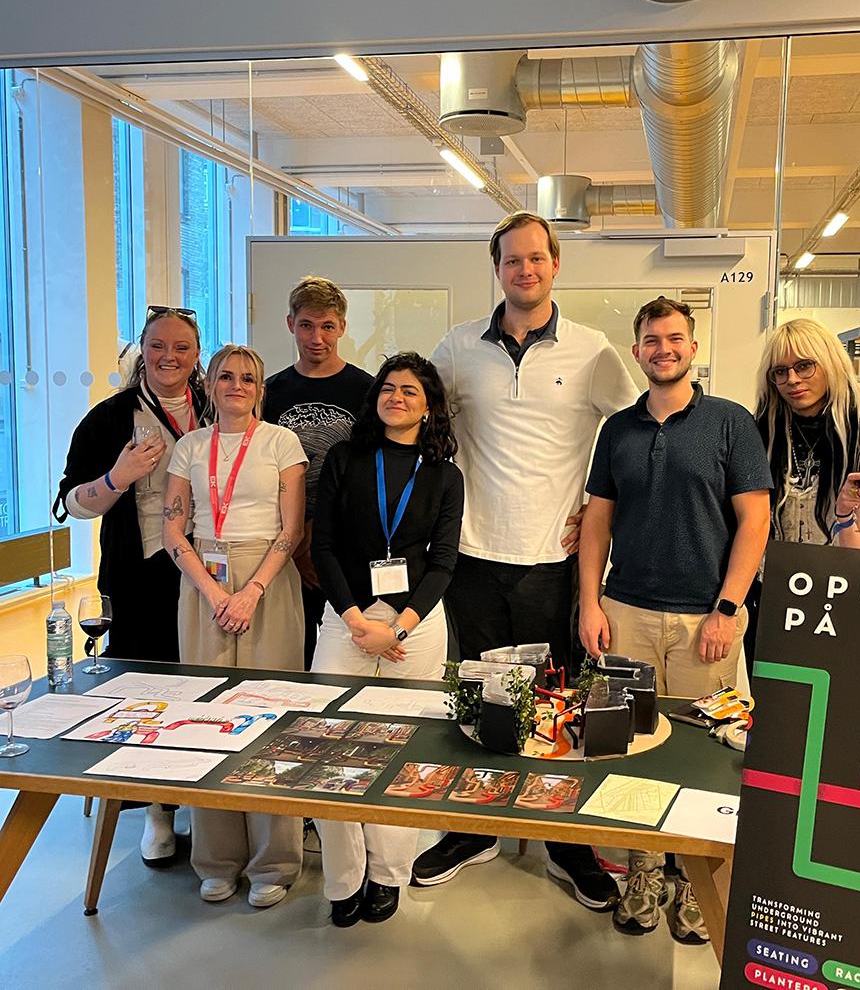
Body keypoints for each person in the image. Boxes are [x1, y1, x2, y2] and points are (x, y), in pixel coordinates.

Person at [417, 211, 639, 910]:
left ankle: (564, 843)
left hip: (554, 557)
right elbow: (420, 427)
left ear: (555, 265)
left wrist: (602, 509)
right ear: (497, 268)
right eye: (512, 260)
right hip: (474, 556)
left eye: (537, 258)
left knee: (553, 706)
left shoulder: (593, 350)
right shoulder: (456, 348)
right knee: (480, 699)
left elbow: (634, 430)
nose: (525, 269)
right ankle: (474, 828)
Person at [579, 297, 772, 941]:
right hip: (625, 612)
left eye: (676, 338)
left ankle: (693, 879)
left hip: (705, 622)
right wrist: (589, 603)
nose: (664, 349)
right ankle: (643, 871)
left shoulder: (729, 423)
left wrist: (728, 607)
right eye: (651, 340)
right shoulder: (618, 430)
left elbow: (755, 520)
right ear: (636, 351)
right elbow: (597, 522)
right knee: (623, 745)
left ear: (694, 348)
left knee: (706, 756)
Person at [310, 352, 463, 928]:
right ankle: (344, 879)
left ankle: (387, 874)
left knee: (404, 753)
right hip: (346, 617)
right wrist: (355, 621)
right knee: (328, 748)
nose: (396, 398)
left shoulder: (446, 476)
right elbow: (322, 546)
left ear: (429, 408)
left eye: (411, 392)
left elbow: (444, 563)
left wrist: (397, 627)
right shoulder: (346, 460)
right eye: (389, 388)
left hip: (415, 628)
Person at [53, 306, 208, 867]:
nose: (170, 357)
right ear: (143, 349)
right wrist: (118, 477)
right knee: (147, 693)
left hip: (209, 573)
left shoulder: (216, 407)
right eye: (159, 345)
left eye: (183, 347)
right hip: (140, 575)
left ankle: (199, 800)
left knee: (205, 683)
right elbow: (73, 503)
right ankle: (157, 812)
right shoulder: (109, 418)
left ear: (197, 355)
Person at [162, 343, 307, 908]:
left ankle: (275, 861)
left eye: (249, 377)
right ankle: (216, 858)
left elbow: (291, 529)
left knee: (273, 719)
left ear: (261, 388)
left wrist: (249, 591)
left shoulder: (281, 442)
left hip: (266, 581)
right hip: (204, 580)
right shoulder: (188, 447)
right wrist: (215, 591)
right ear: (210, 384)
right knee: (205, 721)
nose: (237, 385)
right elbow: (175, 531)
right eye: (226, 376)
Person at [264, 276, 374, 669]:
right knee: (290, 653)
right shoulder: (268, 393)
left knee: (344, 654)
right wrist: (295, 542)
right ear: (290, 323)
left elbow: (370, 474)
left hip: (346, 546)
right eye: (307, 325)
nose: (317, 337)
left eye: (327, 326)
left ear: (342, 326)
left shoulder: (368, 391)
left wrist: (319, 538)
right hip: (281, 546)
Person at [755, 318, 860, 549]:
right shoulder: (757, 437)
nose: (792, 380)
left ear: (831, 365)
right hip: (767, 580)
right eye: (780, 371)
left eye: (804, 366)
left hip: (838, 579)